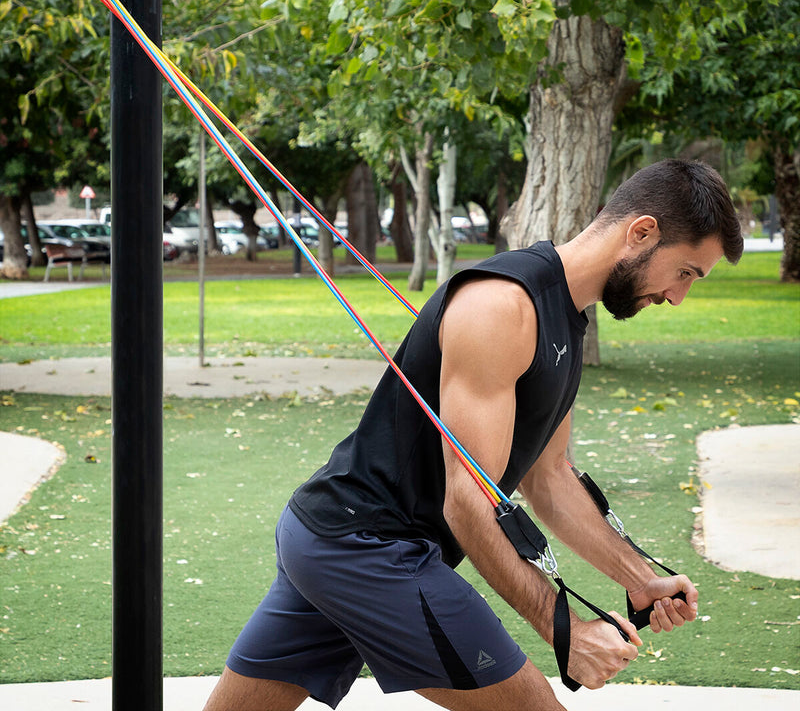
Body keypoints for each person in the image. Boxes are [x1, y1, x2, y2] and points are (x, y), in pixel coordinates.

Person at [204, 159, 743, 711]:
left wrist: (638, 578)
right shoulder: (502, 305)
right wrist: (566, 631)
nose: (678, 297)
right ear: (643, 232)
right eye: (685, 273)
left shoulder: (566, 317)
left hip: (327, 539)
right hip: (366, 545)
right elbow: (467, 501)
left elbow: (550, 477)